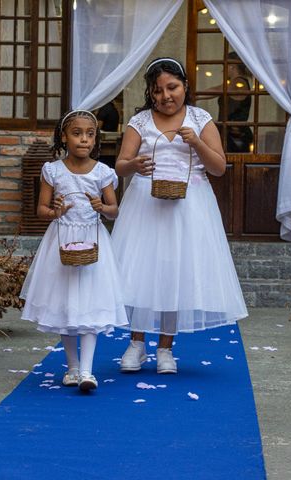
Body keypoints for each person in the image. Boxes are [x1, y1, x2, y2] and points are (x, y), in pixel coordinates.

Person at [111, 57, 248, 374]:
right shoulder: (141, 122)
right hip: (146, 203)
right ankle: (136, 344)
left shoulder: (201, 118)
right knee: (143, 271)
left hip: (189, 205)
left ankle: (165, 349)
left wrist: (197, 142)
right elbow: (120, 164)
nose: (165, 96)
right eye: (157, 90)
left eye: (172, 87)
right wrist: (134, 166)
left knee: (175, 274)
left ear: (185, 86)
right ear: (151, 93)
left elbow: (218, 167)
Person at [20, 109, 127, 392]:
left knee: (90, 306)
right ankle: (72, 367)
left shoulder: (104, 172)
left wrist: (102, 207)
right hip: (62, 241)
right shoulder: (53, 171)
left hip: (93, 243)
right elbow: (41, 210)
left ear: (96, 139)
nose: (84, 140)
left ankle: (88, 371)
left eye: (90, 134)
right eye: (77, 133)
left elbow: (115, 210)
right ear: (64, 137)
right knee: (67, 305)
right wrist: (56, 210)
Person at [197, 52, 253, 153]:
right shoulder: (234, 83)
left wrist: (194, 95)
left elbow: (217, 90)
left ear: (232, 66)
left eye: (225, 65)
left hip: (236, 137)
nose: (223, 70)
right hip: (230, 134)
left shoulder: (239, 83)